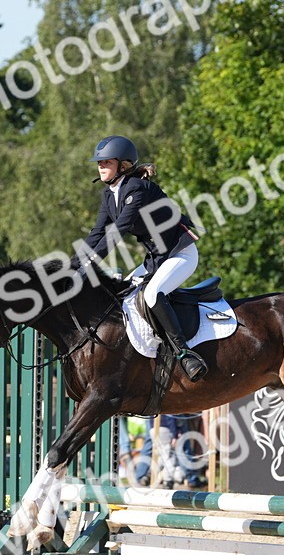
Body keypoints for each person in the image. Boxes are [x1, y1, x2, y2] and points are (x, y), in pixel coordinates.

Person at [81, 135, 207, 381]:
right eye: (100, 163)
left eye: (106, 162)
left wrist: (89, 266)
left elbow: (117, 232)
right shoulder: (109, 195)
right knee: (124, 294)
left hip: (180, 254)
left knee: (151, 295)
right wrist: (73, 265)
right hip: (156, 259)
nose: (101, 166)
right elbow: (97, 233)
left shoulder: (137, 189)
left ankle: (184, 353)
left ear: (124, 166)